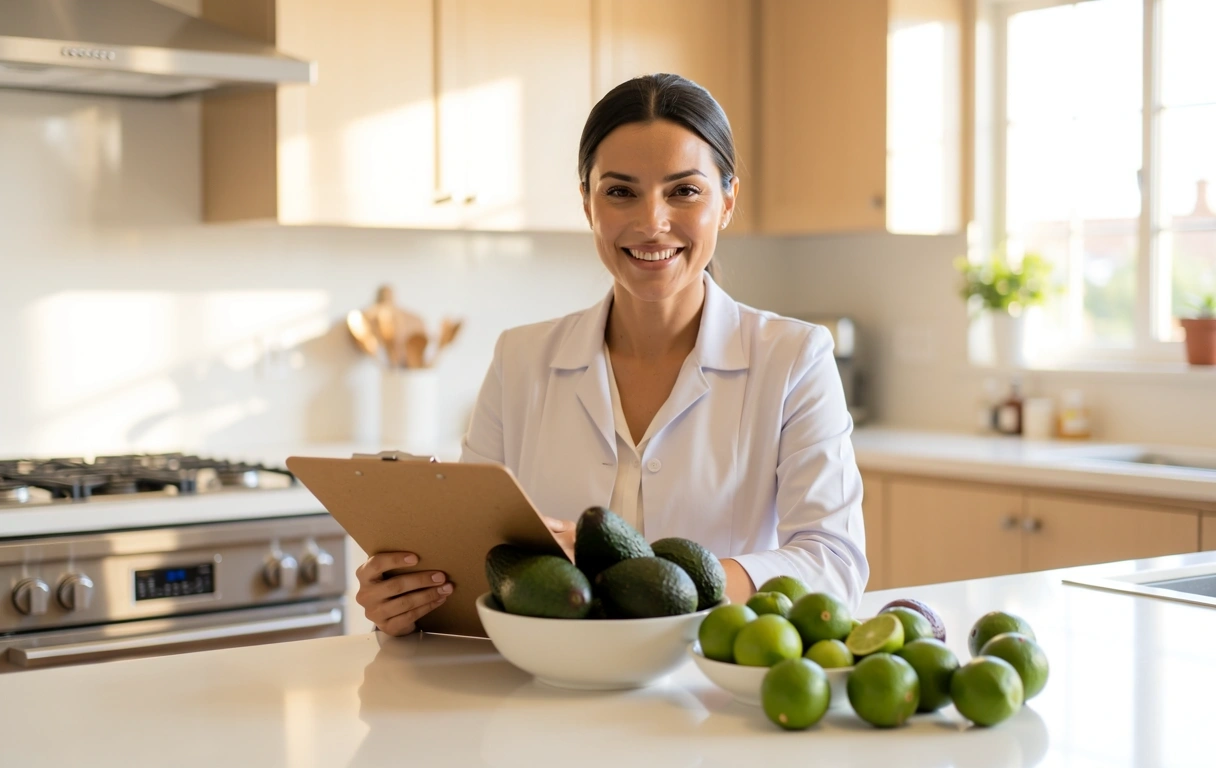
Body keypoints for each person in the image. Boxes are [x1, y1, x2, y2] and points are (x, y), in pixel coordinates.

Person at [356, 74, 868, 636]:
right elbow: (474, 558)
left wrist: (653, 577)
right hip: (548, 693)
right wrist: (409, 599)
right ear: (587, 204)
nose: (652, 222)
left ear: (727, 201)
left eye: (684, 191)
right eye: (621, 191)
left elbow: (833, 566)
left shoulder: (794, 358)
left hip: (712, 693)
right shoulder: (520, 359)